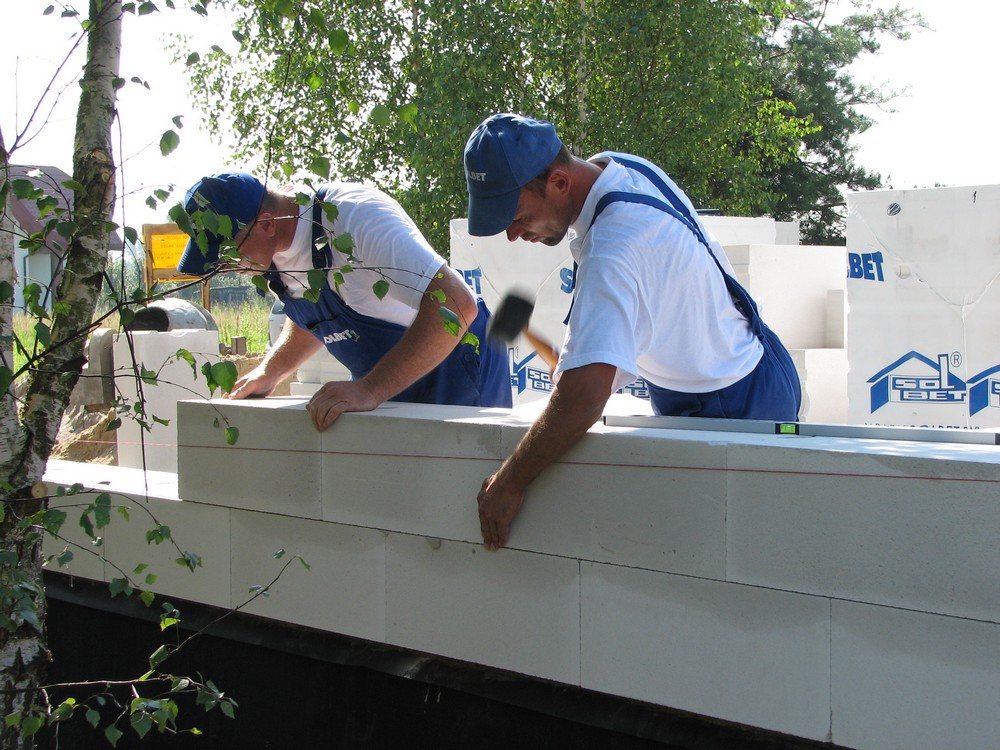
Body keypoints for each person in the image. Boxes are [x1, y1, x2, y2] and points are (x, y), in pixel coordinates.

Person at [464, 113, 801, 550]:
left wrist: (508, 483)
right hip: (755, 359)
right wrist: (580, 363)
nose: (512, 235)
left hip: (731, 405)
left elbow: (584, 397)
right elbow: (653, 297)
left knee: (739, 561)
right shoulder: (618, 168)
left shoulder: (614, 246)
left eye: (517, 216)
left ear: (559, 183)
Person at [176, 172, 512, 431]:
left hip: (458, 367)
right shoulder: (273, 251)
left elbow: (456, 304)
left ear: (265, 224)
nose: (227, 268)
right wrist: (270, 370)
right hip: (388, 379)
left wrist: (370, 389)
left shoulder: (355, 219)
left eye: (228, 253)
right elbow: (319, 313)